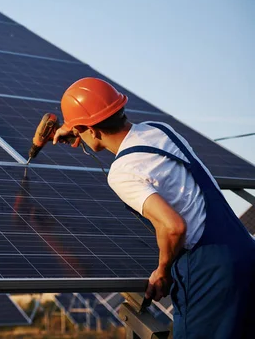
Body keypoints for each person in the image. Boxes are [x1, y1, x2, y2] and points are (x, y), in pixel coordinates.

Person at [52, 77, 255, 338]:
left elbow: (173, 226)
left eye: (80, 130)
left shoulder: (122, 172)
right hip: (245, 251)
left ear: (89, 128)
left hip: (210, 270)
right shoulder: (160, 130)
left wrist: (163, 270)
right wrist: (79, 127)